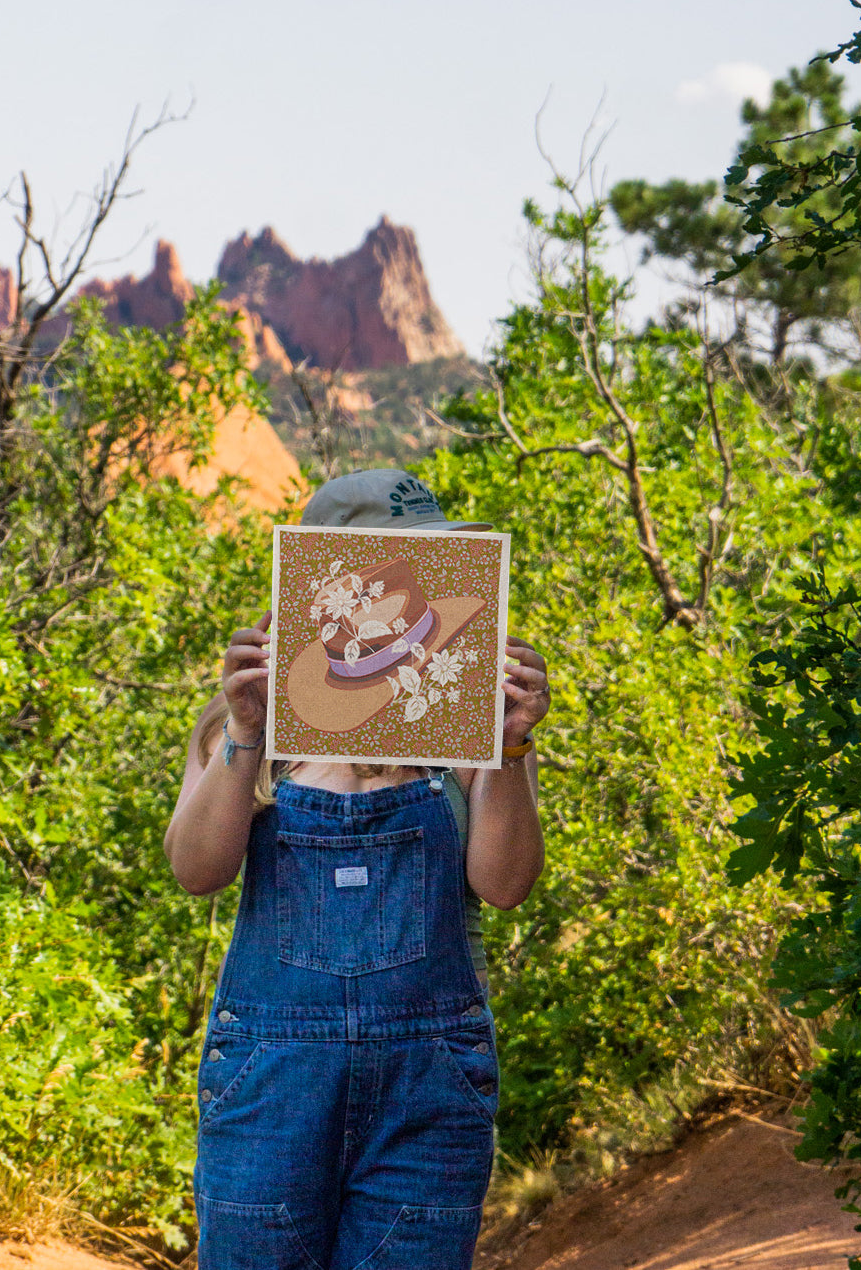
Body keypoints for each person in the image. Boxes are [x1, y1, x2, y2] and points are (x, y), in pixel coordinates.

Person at [164, 468, 550, 1270]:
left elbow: (505, 886)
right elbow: (196, 870)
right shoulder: (250, 720)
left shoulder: (468, 720)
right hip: (270, 1085)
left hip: (429, 1087)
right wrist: (243, 731)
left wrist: (511, 741)